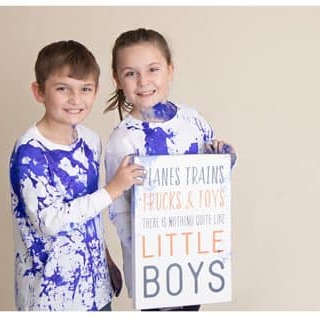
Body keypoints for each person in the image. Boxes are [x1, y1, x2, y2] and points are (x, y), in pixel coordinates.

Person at [103, 28, 237, 311]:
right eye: (131, 73)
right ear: (117, 79)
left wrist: (225, 161)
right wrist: (144, 255)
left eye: (153, 69)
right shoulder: (122, 140)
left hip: (193, 260)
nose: (143, 81)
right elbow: (118, 210)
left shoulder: (193, 120)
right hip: (152, 269)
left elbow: (209, 185)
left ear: (170, 70)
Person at [9, 40, 145, 310]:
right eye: (63, 89)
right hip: (51, 295)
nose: (75, 99)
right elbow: (50, 221)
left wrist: (105, 259)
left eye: (85, 89)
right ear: (39, 91)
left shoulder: (90, 140)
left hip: (95, 289)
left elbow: (89, 213)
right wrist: (112, 189)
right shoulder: (30, 152)